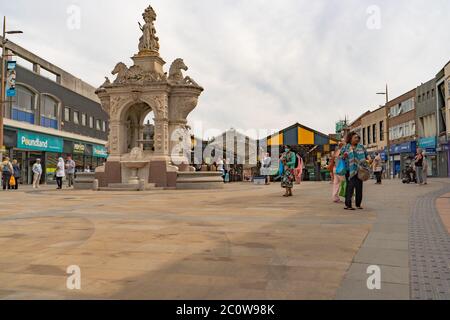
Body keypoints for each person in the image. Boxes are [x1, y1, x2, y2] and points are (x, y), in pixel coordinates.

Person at [340, 132, 369, 210]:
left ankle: (358, 204)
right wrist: (344, 156)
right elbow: (340, 157)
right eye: (355, 138)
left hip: (360, 170)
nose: (357, 139)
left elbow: (367, 155)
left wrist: (369, 159)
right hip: (349, 170)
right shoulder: (345, 147)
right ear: (350, 138)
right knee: (350, 187)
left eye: (358, 138)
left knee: (359, 187)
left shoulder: (361, 147)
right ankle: (348, 205)